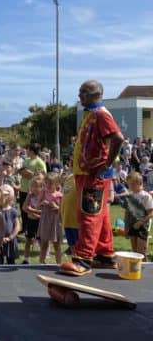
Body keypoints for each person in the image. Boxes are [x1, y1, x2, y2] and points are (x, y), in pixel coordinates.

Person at [59, 80, 125, 277]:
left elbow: (118, 138)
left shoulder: (101, 115)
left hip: (93, 174)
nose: (79, 96)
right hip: (86, 173)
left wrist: (106, 164)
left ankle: (83, 259)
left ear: (95, 94)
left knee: (88, 215)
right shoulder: (91, 115)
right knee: (101, 215)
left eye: (83, 92)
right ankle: (105, 255)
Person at [17, 143, 47, 235]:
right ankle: (24, 228)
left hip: (34, 190)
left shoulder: (39, 162)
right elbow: (21, 170)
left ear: (32, 151)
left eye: (28, 149)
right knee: (23, 209)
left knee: (32, 208)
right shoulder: (26, 160)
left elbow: (44, 175)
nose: (26, 151)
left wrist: (31, 174)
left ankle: (34, 229)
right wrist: (22, 172)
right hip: (23, 188)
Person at [122, 171, 153, 256]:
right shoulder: (128, 196)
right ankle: (135, 269)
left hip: (143, 226)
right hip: (131, 225)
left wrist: (140, 222)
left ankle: (145, 268)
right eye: (128, 184)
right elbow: (126, 213)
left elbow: (151, 213)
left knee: (141, 253)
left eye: (132, 184)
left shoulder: (146, 196)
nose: (130, 186)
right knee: (134, 252)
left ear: (139, 183)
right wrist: (125, 228)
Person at [37, 172, 63, 264]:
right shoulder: (44, 192)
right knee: (44, 243)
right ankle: (41, 262)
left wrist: (56, 207)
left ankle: (58, 263)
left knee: (57, 245)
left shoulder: (60, 195)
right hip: (45, 219)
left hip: (55, 221)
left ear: (57, 184)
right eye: (46, 182)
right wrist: (42, 203)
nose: (47, 185)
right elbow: (37, 206)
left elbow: (62, 209)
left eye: (50, 183)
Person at [21, 176, 44, 264]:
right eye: (33, 186)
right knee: (28, 240)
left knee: (41, 241)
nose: (35, 189)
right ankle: (26, 259)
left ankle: (42, 260)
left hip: (39, 222)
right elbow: (24, 207)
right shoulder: (30, 196)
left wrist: (31, 210)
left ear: (42, 187)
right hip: (31, 221)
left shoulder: (43, 197)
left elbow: (43, 212)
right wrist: (33, 212)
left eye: (37, 186)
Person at [0, 186, 20, 265]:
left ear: (10, 197)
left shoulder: (13, 211)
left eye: (5, 195)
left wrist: (10, 237)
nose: (3, 198)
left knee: (10, 262)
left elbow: (17, 226)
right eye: (1, 195)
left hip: (9, 240)